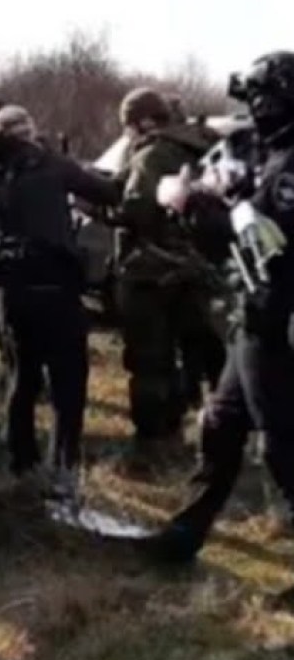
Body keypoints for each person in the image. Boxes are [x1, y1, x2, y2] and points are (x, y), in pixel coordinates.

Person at [140, 52, 294, 579]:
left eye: (256, 98)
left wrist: (193, 205)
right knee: (222, 423)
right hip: (257, 314)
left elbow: (260, 242)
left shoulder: (289, 163)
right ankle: (185, 534)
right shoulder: (270, 152)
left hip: (279, 320)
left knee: (283, 446)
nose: (252, 109)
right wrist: (218, 193)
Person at [0, 105, 121, 500]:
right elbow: (108, 192)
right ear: (30, 132)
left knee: (22, 378)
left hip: (10, 291)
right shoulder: (52, 165)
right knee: (68, 381)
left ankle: (20, 464)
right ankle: (64, 468)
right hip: (55, 288)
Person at [114, 87, 225, 473]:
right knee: (191, 357)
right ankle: (194, 438)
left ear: (143, 121)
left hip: (150, 272)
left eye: (129, 125)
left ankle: (153, 446)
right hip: (194, 270)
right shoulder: (203, 146)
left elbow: (139, 212)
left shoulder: (152, 154)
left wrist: (99, 204)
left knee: (148, 360)